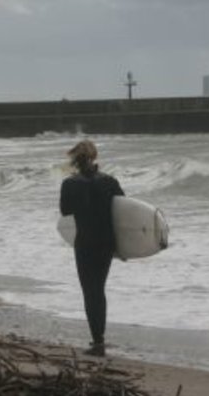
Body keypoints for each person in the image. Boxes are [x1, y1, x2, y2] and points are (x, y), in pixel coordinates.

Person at [59, 140, 124, 357]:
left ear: (74, 159)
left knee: (90, 291)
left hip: (85, 242)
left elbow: (65, 211)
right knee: (99, 290)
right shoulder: (110, 181)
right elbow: (123, 210)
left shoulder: (69, 184)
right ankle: (99, 340)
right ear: (94, 157)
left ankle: (98, 342)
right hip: (106, 242)